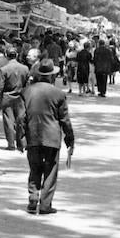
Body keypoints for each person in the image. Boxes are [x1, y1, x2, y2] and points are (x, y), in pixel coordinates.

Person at [21, 59, 74, 215]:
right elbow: (65, 119)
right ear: (52, 76)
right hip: (52, 137)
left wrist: (21, 137)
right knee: (50, 170)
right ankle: (45, 204)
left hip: (33, 135)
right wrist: (70, 139)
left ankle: (32, 198)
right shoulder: (58, 94)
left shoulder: (27, 91)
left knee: (34, 167)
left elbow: (20, 118)